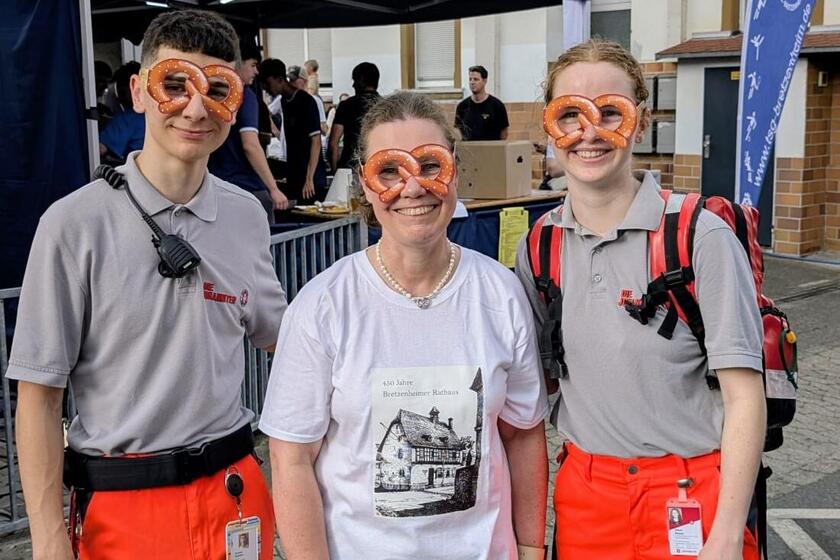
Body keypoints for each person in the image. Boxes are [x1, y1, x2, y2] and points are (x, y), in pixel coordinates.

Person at [9, 10, 287, 559]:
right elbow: (39, 395)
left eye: (217, 90)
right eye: (175, 84)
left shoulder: (246, 217)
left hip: (234, 494)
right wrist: (46, 540)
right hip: (123, 506)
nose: (194, 107)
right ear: (138, 92)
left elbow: (286, 339)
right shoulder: (72, 225)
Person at [260, 91, 549, 560]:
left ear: (455, 169)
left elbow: (523, 434)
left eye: (430, 165)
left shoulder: (501, 293)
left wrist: (533, 549)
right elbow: (291, 459)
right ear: (364, 185)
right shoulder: (323, 307)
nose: (412, 188)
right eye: (389, 171)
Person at [515, 39, 765, 559]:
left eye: (611, 111)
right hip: (587, 493)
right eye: (571, 115)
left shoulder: (700, 236)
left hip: (691, 491)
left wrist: (725, 532)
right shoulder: (539, 246)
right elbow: (528, 391)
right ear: (550, 127)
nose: (591, 133)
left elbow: (744, 397)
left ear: (642, 122)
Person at [209, 43, 288, 223]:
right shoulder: (244, 95)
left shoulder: (211, 94)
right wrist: (274, 189)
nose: (256, 72)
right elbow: (250, 145)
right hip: (247, 187)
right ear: (237, 63)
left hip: (214, 187)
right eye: (253, 65)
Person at [259, 58, 322, 202]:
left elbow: (316, 140)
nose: (267, 89)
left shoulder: (306, 101)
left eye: (268, 84)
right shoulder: (283, 101)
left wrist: (309, 178)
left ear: (280, 79)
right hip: (294, 170)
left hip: (310, 175)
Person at [329, 61, 380, 171]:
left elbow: (333, 143)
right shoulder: (385, 106)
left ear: (361, 81)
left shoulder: (346, 106)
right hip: (377, 165)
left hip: (350, 166)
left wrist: (336, 172)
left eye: (355, 80)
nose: (353, 85)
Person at [99, 61, 145, 162]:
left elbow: (100, 148)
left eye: (121, 91)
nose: (119, 97)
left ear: (134, 87)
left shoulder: (127, 119)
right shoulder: (160, 114)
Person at [455, 65, 510, 141]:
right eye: (470, 79)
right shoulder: (462, 106)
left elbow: (504, 133)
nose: (472, 82)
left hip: (491, 151)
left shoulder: (497, 106)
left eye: (476, 79)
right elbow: (458, 131)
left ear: (484, 81)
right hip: (469, 151)